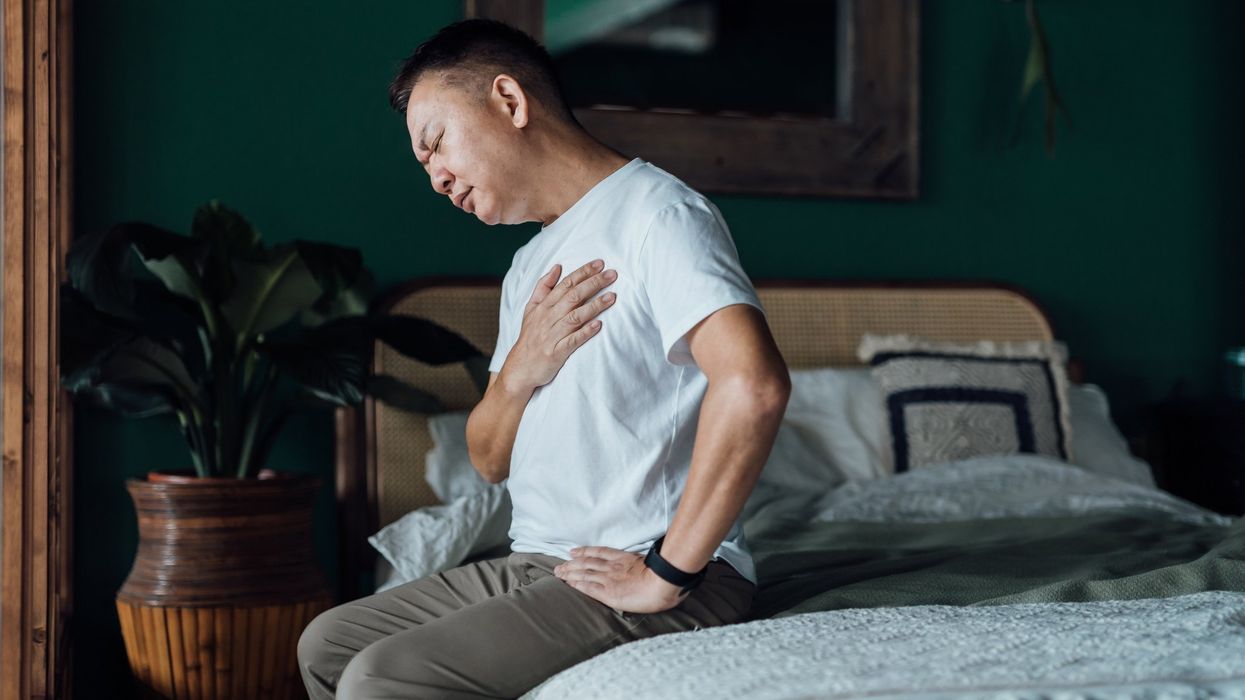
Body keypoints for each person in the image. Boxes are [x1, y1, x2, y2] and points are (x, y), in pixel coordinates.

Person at [298, 17, 790, 699]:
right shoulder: (529, 265)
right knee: (327, 645)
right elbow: (488, 458)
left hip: (649, 567)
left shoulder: (660, 214)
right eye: (425, 165)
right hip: (540, 562)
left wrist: (668, 572)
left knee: (384, 679)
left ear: (508, 100)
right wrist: (524, 365)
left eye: (436, 144)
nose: (435, 179)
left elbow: (753, 387)